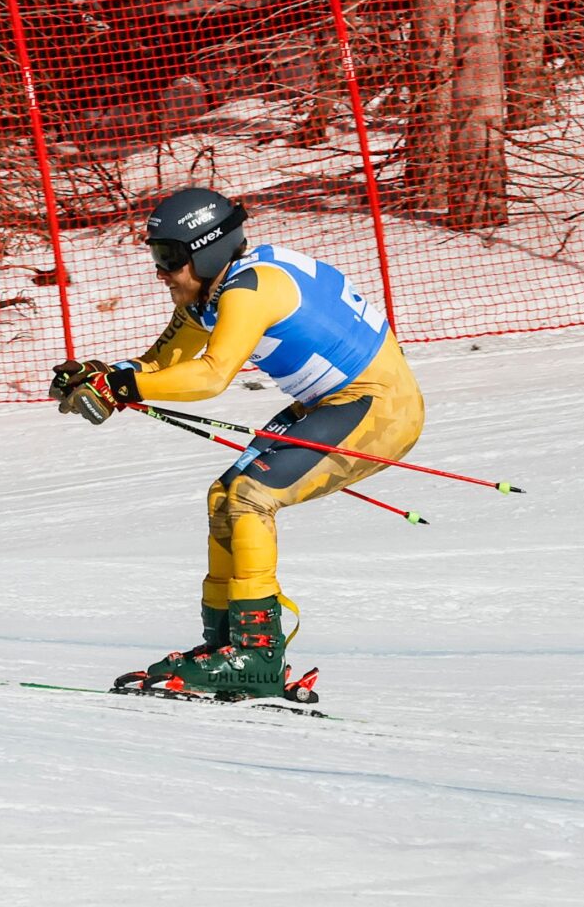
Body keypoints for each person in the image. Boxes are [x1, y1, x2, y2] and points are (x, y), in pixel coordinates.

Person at [50, 187, 425, 699]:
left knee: (251, 496)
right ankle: (226, 645)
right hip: (328, 404)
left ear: (205, 252)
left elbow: (211, 375)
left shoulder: (248, 290)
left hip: (380, 407)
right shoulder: (211, 291)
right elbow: (160, 363)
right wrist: (102, 375)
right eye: (157, 256)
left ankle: (258, 655)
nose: (160, 271)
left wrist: (121, 387)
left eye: (169, 257)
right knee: (223, 496)